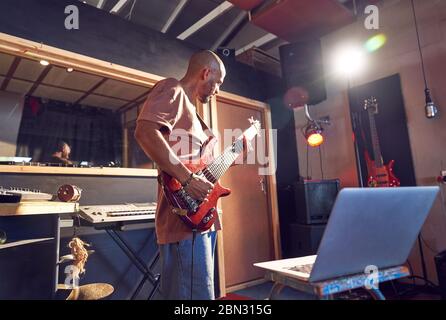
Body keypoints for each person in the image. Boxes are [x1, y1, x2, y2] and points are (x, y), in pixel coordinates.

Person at [135, 50, 246, 300]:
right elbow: (144, 132)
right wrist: (186, 179)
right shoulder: (173, 89)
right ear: (206, 73)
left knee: (201, 294)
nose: (217, 90)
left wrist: (236, 153)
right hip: (184, 222)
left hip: (202, 218)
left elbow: (201, 169)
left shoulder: (193, 113)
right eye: (218, 83)